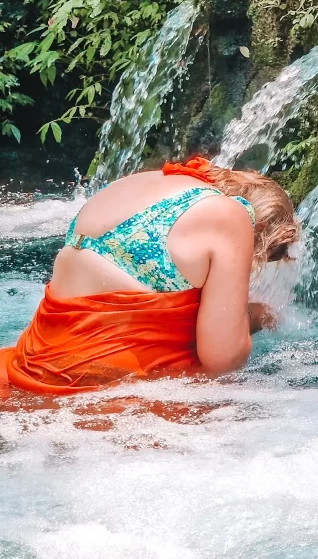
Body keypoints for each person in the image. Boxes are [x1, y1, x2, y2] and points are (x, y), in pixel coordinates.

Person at [0, 157, 299, 397]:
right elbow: (222, 359)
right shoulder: (231, 216)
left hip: (35, 357)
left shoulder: (149, 181)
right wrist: (252, 318)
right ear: (262, 234)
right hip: (92, 379)